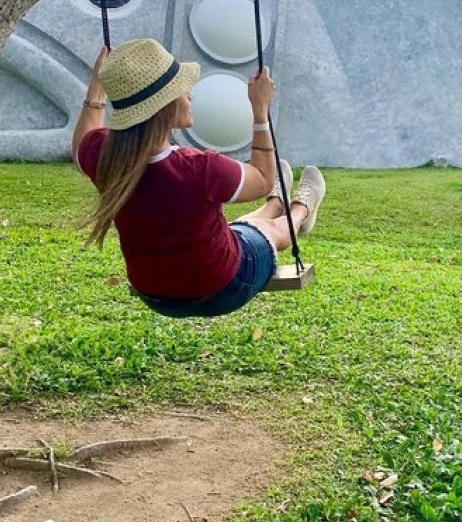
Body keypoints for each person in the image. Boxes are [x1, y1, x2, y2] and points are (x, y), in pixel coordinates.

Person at [72, 38, 325, 318]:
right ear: (165, 106)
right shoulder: (200, 168)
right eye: (181, 89)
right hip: (222, 288)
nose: (190, 94)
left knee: (241, 228)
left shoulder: (104, 157)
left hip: (153, 293)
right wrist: (260, 108)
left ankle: (276, 203)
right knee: (269, 232)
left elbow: (82, 141)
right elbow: (263, 177)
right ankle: (302, 209)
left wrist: (98, 84)